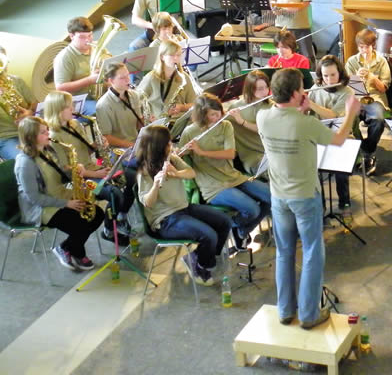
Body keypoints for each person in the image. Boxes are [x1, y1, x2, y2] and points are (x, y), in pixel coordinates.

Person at [257, 68, 360, 328]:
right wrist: (350, 113)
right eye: (302, 89)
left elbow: (288, 125)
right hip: (304, 195)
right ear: (295, 93)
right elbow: (339, 139)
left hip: (278, 196)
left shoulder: (262, 116)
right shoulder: (307, 124)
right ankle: (309, 314)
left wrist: (300, 110)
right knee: (313, 252)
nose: (305, 92)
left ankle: (285, 311)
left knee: (284, 252)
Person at [137, 125, 232, 286]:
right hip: (165, 220)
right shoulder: (144, 171)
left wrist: (175, 173)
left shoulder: (171, 159)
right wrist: (155, 185)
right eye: (168, 143)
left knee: (224, 222)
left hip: (184, 208)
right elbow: (147, 202)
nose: (171, 145)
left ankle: (200, 258)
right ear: (158, 146)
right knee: (209, 236)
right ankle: (202, 266)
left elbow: (191, 173)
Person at [179, 93, 271, 249]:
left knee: (271, 197)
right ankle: (227, 226)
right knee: (252, 210)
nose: (218, 117)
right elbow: (180, 158)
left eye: (219, 113)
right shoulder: (190, 132)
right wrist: (179, 153)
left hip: (232, 177)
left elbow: (230, 154)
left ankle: (240, 229)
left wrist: (202, 152)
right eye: (213, 115)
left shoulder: (225, 125)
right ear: (202, 116)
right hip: (213, 185)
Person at [43, 91, 135, 243]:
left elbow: (87, 150)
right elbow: (65, 170)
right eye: (69, 107)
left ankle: (120, 215)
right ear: (57, 110)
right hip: (81, 180)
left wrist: (97, 145)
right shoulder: (53, 136)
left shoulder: (75, 124)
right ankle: (109, 230)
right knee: (115, 194)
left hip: (93, 168)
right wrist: (96, 174)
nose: (73, 109)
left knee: (133, 178)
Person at [15, 116, 103, 271]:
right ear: (31, 137)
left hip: (59, 195)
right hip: (41, 208)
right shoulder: (25, 163)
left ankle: (66, 247)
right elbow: (34, 198)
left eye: (47, 130)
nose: (48, 134)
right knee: (81, 224)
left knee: (98, 214)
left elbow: (59, 174)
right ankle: (77, 253)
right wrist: (66, 204)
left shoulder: (47, 150)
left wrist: (74, 172)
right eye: (43, 132)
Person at [307, 55, 355, 212]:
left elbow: (333, 115)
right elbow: (307, 113)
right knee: (311, 167)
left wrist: (310, 103)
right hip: (318, 137)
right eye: (325, 76)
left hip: (340, 136)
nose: (329, 80)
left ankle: (344, 202)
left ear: (340, 72)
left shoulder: (347, 92)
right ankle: (320, 205)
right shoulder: (316, 88)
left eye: (333, 75)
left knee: (340, 170)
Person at [344, 29, 390, 175]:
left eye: (367, 47)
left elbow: (383, 88)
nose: (364, 50)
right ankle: (360, 149)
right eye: (361, 47)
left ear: (373, 46)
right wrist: (356, 79)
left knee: (379, 120)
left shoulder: (381, 61)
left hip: (375, 98)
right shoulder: (352, 61)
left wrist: (372, 77)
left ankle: (368, 152)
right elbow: (346, 86)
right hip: (356, 98)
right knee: (347, 119)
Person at [137, 40, 197, 138]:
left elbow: (194, 103)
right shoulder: (151, 78)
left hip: (179, 122)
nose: (176, 59)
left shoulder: (183, 77)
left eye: (178, 55)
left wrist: (182, 107)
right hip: (158, 123)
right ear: (162, 57)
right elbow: (136, 101)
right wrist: (147, 117)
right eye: (172, 55)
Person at [228, 70, 272, 177]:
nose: (265, 92)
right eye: (260, 89)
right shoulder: (236, 108)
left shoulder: (271, 106)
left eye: (266, 87)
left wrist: (243, 122)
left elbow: (269, 131)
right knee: (277, 175)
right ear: (250, 89)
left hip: (273, 153)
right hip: (253, 158)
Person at [53, 16, 99, 114]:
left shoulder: (97, 47)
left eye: (90, 35)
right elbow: (60, 88)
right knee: (102, 109)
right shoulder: (64, 58)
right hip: (78, 101)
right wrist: (90, 80)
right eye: (82, 37)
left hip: (99, 94)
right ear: (71, 36)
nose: (88, 40)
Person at [95, 63, 147, 149]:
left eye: (128, 75)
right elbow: (107, 137)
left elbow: (138, 125)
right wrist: (133, 146)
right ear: (111, 81)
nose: (128, 80)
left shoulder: (134, 95)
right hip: (119, 149)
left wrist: (148, 122)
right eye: (122, 78)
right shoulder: (103, 105)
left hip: (135, 143)